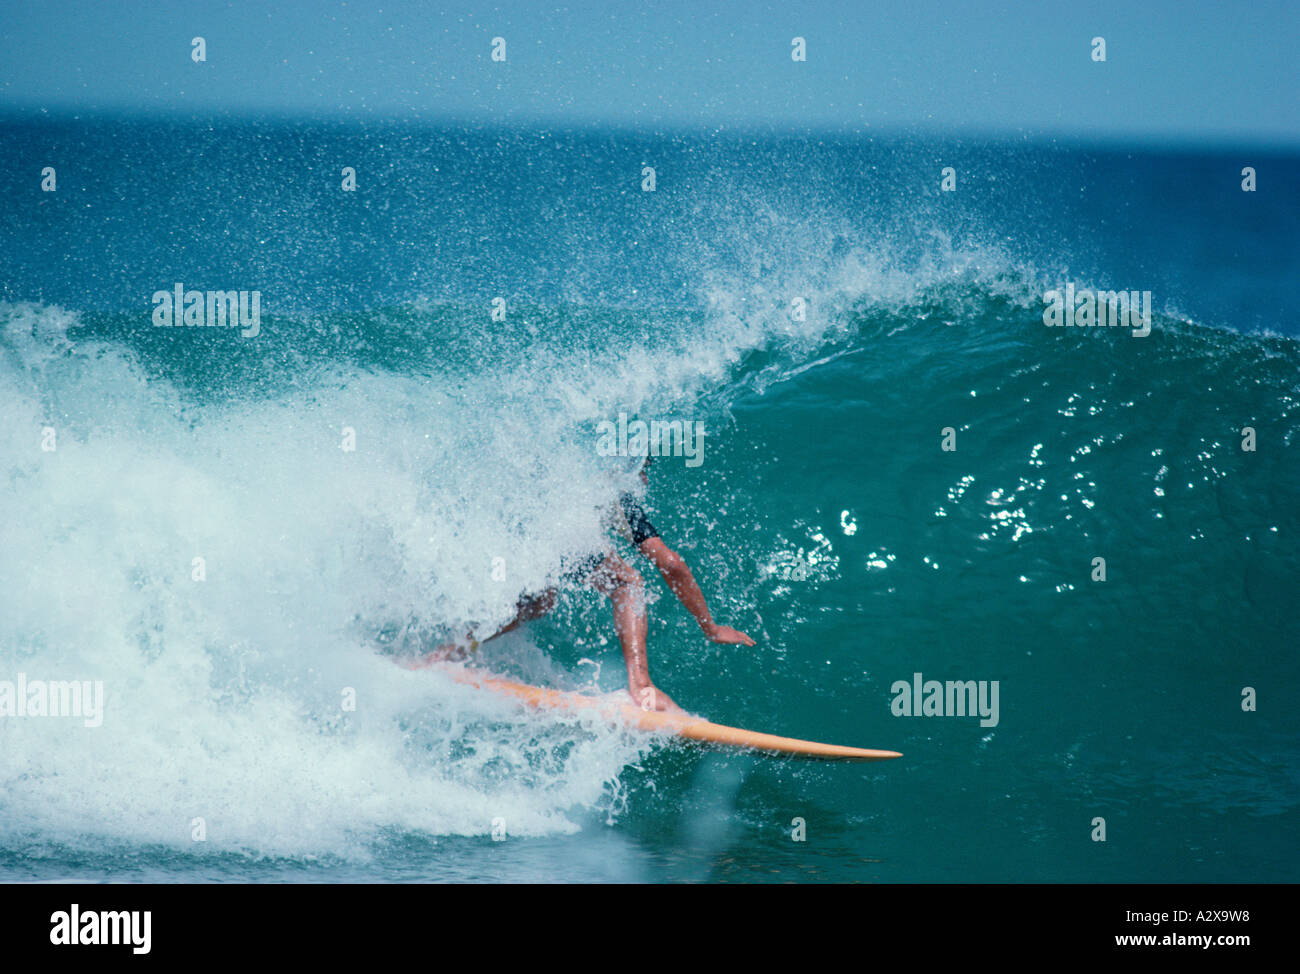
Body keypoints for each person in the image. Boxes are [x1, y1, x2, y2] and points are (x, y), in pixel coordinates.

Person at [411, 455, 754, 714]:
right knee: (628, 583)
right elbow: (671, 563)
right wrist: (711, 628)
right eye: (645, 469)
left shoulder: (574, 468)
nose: (646, 479)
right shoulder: (619, 492)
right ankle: (642, 686)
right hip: (548, 528)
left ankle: (445, 653)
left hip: (514, 520)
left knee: (539, 601)